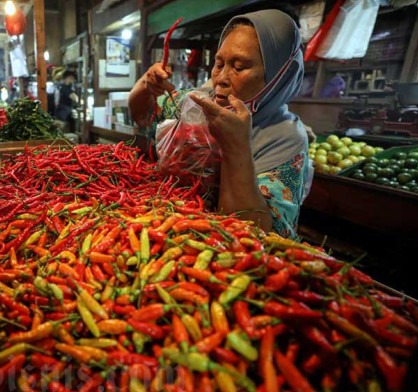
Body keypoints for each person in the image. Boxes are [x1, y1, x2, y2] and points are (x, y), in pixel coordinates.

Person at [128, 9, 312, 238]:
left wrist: (235, 146)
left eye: (239, 67)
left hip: (220, 255)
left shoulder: (285, 139)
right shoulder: (200, 104)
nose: (221, 79)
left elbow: (257, 235)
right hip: (169, 231)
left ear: (280, 75)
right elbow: (142, 115)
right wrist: (148, 84)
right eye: (219, 64)